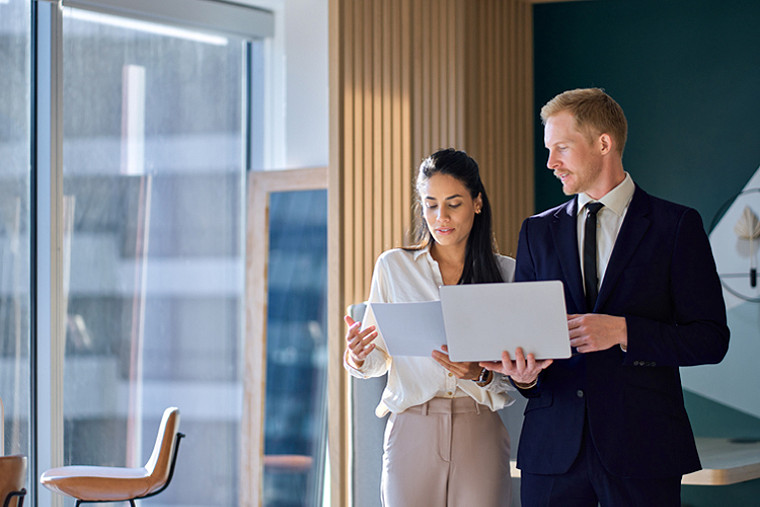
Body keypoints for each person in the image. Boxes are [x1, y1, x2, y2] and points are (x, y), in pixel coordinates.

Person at [482, 88, 730, 506]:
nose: (550, 163)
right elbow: (526, 341)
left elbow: (710, 339)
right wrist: (524, 375)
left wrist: (623, 331)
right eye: (548, 149)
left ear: (603, 143)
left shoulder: (676, 226)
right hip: (552, 448)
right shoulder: (536, 232)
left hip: (644, 447)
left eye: (561, 147)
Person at [344, 148, 515, 506]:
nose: (441, 217)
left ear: (477, 203)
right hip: (412, 429)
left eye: (453, 203)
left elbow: (516, 376)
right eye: (431, 204)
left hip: (479, 427)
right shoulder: (394, 267)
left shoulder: (507, 274)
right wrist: (358, 357)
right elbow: (377, 358)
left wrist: (479, 373)